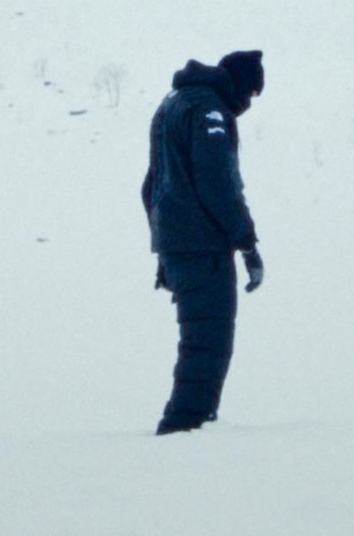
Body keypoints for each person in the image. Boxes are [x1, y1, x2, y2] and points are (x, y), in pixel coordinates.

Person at [141, 49, 266, 435]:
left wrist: (165, 247)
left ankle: (190, 425)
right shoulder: (210, 110)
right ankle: (185, 429)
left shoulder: (173, 104)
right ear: (238, 85)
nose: (249, 104)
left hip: (180, 243)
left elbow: (152, 186)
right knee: (208, 340)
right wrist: (247, 242)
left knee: (200, 338)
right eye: (251, 94)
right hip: (202, 245)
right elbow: (218, 181)